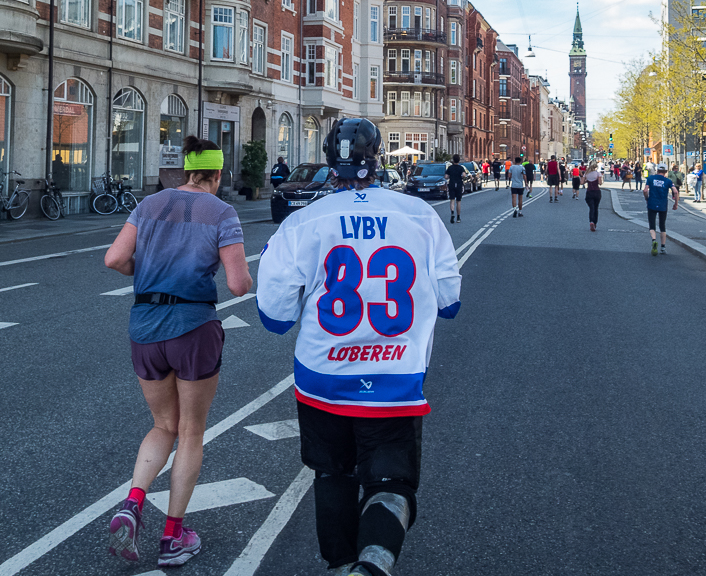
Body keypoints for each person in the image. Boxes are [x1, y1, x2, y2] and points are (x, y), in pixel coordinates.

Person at [257, 118, 461, 576]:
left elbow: (274, 316)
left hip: (322, 378)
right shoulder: (421, 216)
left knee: (332, 475)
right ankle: (373, 566)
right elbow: (450, 301)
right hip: (395, 380)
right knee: (392, 486)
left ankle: (341, 565)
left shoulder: (304, 221)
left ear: (332, 163)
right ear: (377, 160)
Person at [103, 136, 253, 568]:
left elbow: (115, 258)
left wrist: (148, 270)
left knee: (162, 424)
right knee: (190, 432)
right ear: (217, 174)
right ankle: (172, 537)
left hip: (145, 326)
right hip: (192, 327)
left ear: (186, 170)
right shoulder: (222, 212)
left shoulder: (149, 205)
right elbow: (239, 285)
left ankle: (132, 503)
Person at [644, 162, 678, 256]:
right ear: (666, 171)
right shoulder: (668, 181)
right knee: (662, 225)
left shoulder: (650, 178)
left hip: (652, 203)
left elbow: (645, 190)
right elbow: (675, 191)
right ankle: (663, 247)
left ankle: (654, 240)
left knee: (652, 225)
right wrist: (676, 203)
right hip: (663, 205)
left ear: (657, 170)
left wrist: (647, 198)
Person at [445, 154, 466, 224]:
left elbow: (446, 176)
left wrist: (450, 176)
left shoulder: (450, 168)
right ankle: (458, 217)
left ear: (453, 160)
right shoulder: (461, 168)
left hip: (452, 184)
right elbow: (464, 175)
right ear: (459, 160)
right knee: (458, 201)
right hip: (459, 185)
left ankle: (452, 213)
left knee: (452, 200)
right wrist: (461, 176)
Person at [584, 161, 603, 231]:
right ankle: (594, 223)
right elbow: (600, 183)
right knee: (596, 208)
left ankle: (591, 221)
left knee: (591, 207)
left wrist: (587, 180)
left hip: (589, 192)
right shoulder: (598, 174)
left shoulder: (586, 174)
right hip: (597, 192)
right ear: (596, 167)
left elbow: (582, 182)